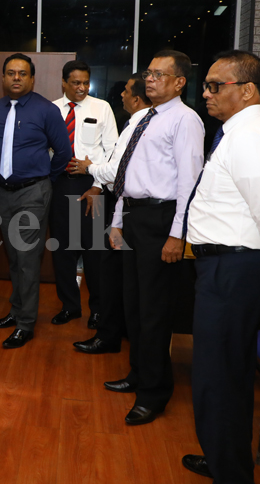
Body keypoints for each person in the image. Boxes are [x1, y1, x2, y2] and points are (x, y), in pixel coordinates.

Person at [182, 50, 260, 483]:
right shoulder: (240, 131)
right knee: (227, 376)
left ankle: (230, 473)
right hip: (230, 268)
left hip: (232, 271)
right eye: (207, 85)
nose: (207, 93)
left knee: (219, 378)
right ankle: (224, 461)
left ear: (247, 90)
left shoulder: (249, 135)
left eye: (217, 86)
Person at [105, 50, 204, 426]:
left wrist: (177, 234)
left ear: (179, 82)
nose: (150, 80)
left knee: (154, 312)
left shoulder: (185, 120)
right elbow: (129, 175)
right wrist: (116, 220)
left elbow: (189, 183)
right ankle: (138, 374)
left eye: (160, 75)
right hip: (133, 216)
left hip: (162, 220)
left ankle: (155, 392)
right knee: (133, 305)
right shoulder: (146, 118)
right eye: (148, 73)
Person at [0, 53, 72, 349]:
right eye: (10, 73)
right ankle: (16, 310)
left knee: (28, 259)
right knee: (14, 257)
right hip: (4, 192)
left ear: (32, 78)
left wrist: (45, 178)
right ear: (3, 77)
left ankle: (26, 324)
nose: (16, 78)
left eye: (22, 73)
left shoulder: (46, 110)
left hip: (34, 192)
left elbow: (63, 152)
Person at [71, 72, 151, 354]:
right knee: (117, 275)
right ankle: (111, 333)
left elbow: (116, 170)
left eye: (126, 90)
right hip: (125, 208)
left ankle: (110, 334)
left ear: (137, 98)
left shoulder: (138, 124)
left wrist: (89, 168)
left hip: (139, 212)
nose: (121, 94)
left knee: (110, 272)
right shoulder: (137, 123)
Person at [49, 60, 118, 330]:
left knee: (94, 253)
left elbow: (112, 151)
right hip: (59, 185)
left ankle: (98, 310)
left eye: (85, 83)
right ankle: (69, 306)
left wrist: (98, 185)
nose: (81, 87)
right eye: (75, 82)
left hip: (93, 186)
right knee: (62, 251)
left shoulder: (102, 108)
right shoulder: (52, 109)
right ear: (64, 82)